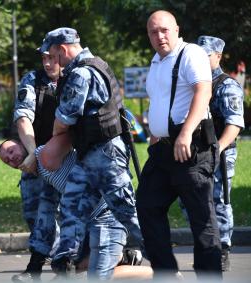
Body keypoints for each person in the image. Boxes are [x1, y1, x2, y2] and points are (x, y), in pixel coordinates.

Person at [37, 27, 145, 278]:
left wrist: (56, 134)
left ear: (63, 49)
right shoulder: (91, 66)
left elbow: (64, 119)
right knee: (72, 203)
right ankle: (64, 260)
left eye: (53, 54)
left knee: (126, 210)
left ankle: (162, 261)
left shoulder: (82, 73)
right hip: (90, 153)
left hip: (105, 154)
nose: (52, 60)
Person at [136, 10, 222, 280]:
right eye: (153, 32)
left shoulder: (191, 53)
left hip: (191, 148)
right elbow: (160, 100)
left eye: (164, 30)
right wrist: (155, 133)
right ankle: (165, 275)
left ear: (176, 29)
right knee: (147, 206)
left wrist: (185, 133)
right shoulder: (156, 61)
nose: (159, 36)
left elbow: (203, 91)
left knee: (201, 219)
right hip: (163, 149)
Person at [0, 136, 152, 280]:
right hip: (90, 222)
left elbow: (68, 135)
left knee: (97, 276)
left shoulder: (45, 155)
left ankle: (164, 273)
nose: (11, 158)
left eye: (11, 151)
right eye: (7, 160)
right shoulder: (40, 173)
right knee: (67, 271)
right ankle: (125, 257)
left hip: (107, 214)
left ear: (24, 145)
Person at [178, 35, 244, 271]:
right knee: (190, 200)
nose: (202, 60)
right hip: (195, 151)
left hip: (220, 152)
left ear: (218, 56)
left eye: (206, 55)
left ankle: (221, 249)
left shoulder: (226, 85)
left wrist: (218, 150)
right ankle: (206, 244)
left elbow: (234, 125)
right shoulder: (193, 83)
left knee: (218, 200)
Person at [8, 49, 61, 282]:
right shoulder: (33, 80)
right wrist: (33, 154)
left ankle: (134, 254)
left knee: (76, 213)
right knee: (36, 211)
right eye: (44, 58)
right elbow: (23, 117)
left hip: (72, 156)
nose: (48, 64)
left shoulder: (78, 76)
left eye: (53, 58)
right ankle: (46, 261)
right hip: (38, 156)